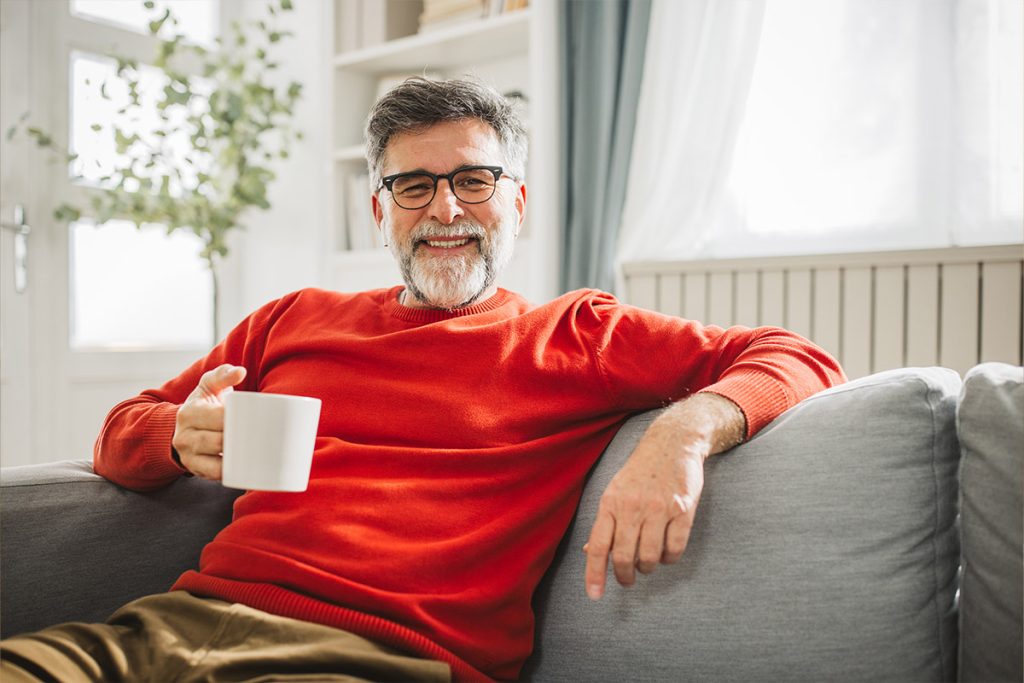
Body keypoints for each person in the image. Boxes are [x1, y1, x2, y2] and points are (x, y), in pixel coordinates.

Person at [0, 77, 844, 683]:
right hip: (164, 628)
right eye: (414, 184)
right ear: (380, 209)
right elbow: (122, 430)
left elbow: (797, 356)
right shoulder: (294, 316)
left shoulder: (575, 334)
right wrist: (174, 436)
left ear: (516, 201)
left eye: (473, 180)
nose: (446, 209)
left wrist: (684, 431)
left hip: (377, 657)